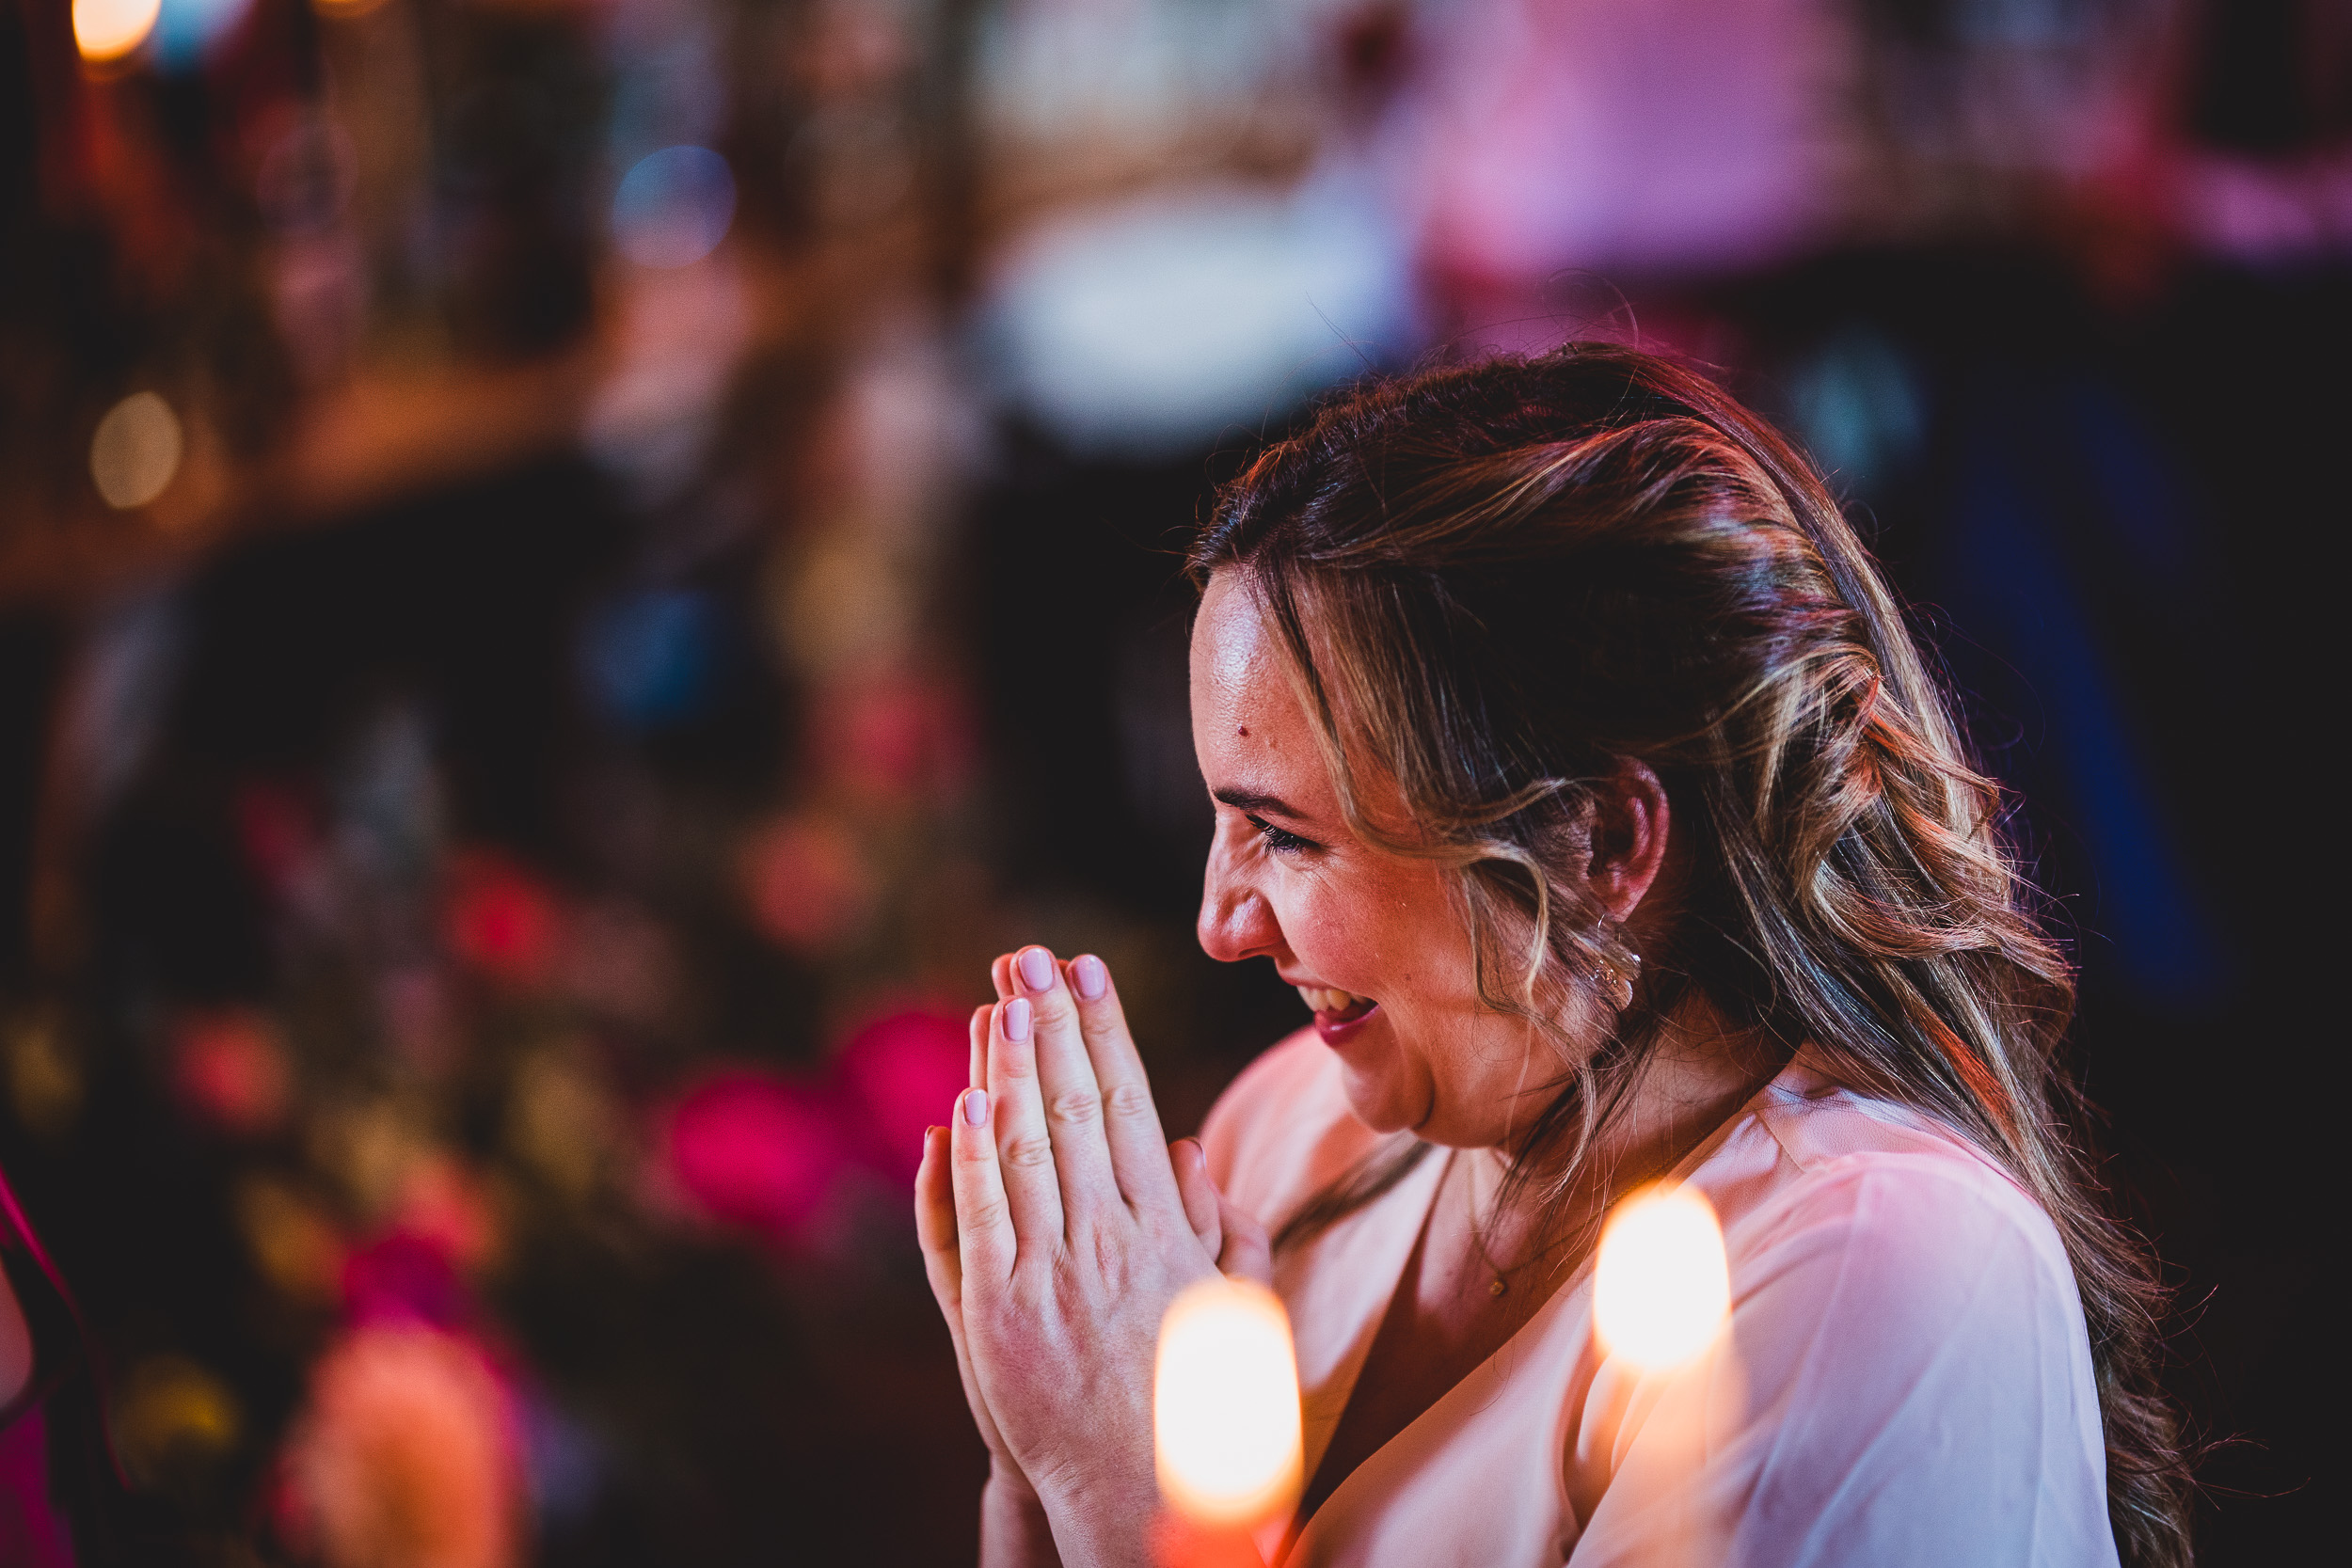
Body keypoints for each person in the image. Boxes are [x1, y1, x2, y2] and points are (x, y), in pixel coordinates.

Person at [914, 345, 2192, 1567]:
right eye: (1218, 818)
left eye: (1286, 836)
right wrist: (1034, 1437)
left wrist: (1125, 1482)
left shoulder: (1880, 1268)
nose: (1222, 923)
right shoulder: (1295, 1132)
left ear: (1599, 842)